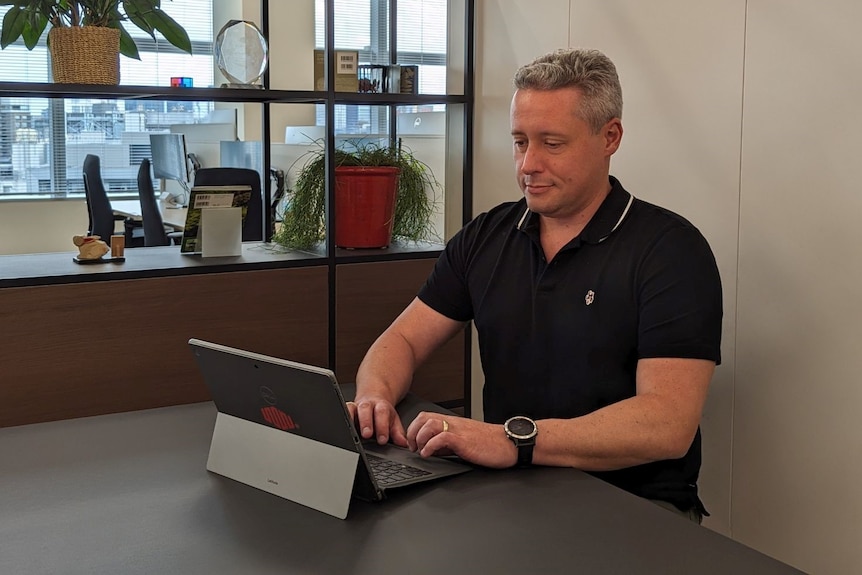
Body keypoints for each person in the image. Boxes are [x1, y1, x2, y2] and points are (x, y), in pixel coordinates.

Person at [348, 48, 722, 522]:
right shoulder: (486, 236)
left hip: (635, 506)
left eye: (552, 143)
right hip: (509, 491)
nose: (528, 164)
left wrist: (514, 439)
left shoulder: (671, 252)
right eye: (520, 141)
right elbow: (401, 338)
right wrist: (374, 398)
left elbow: (667, 424)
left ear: (610, 137)